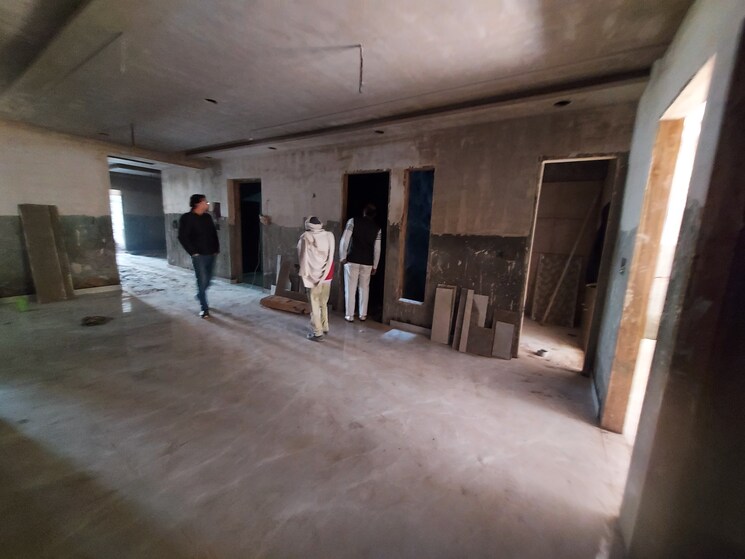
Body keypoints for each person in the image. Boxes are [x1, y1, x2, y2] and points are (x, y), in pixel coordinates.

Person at [178, 194, 220, 318]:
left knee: (209, 280)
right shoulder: (187, 218)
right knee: (201, 281)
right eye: (205, 202)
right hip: (199, 255)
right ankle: (204, 308)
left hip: (211, 253)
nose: (207, 204)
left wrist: (216, 248)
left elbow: (213, 233)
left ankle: (200, 295)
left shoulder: (207, 217)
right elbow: (182, 237)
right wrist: (193, 252)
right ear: (197, 203)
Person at [339, 204, 381, 322]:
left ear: (364, 212)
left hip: (352, 259)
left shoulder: (353, 221)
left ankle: (349, 315)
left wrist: (343, 256)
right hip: (367, 262)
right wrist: (375, 265)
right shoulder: (377, 229)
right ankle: (363, 315)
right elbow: (377, 249)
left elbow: (345, 239)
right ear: (374, 215)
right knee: (364, 288)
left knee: (350, 288)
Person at [297, 216, 335, 341]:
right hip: (328, 274)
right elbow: (331, 255)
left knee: (314, 304)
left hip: (313, 276)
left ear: (308, 225)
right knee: (323, 302)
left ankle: (318, 332)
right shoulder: (329, 235)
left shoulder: (305, 237)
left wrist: (304, 272)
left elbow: (302, 256)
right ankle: (325, 326)